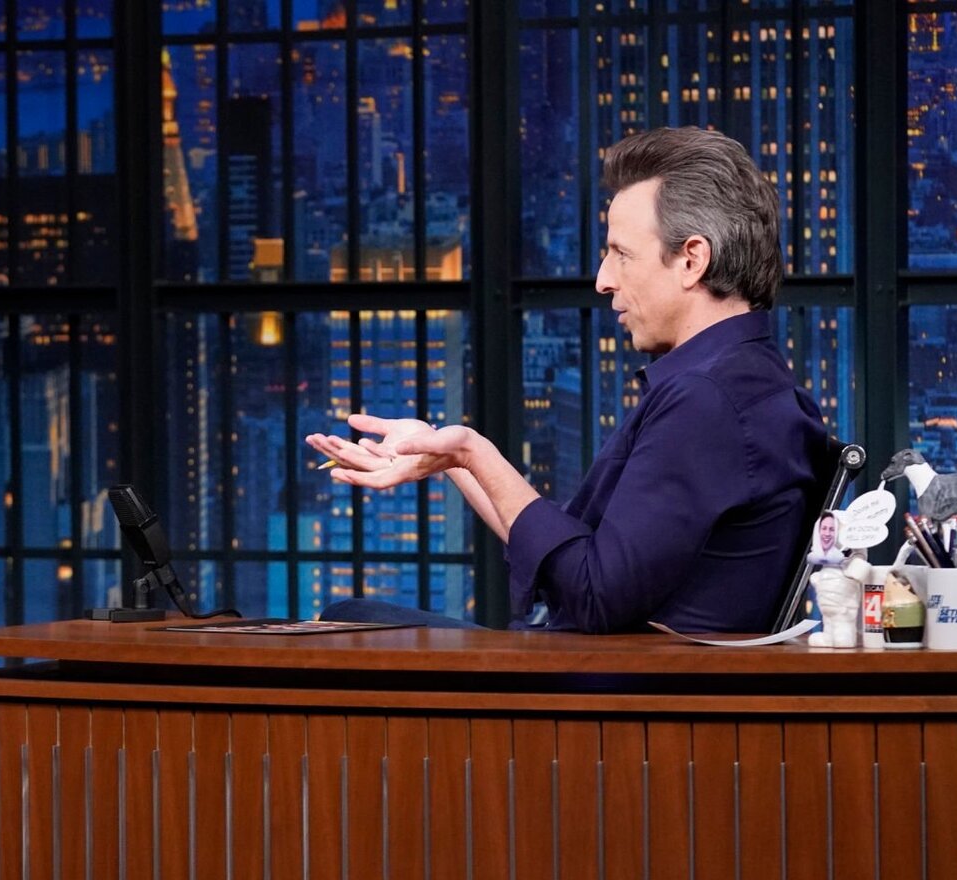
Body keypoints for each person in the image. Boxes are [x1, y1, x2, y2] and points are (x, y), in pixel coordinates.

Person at [306, 127, 826, 634]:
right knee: (352, 616)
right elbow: (568, 552)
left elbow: (593, 594)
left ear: (692, 259)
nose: (603, 279)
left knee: (347, 621)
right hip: (618, 671)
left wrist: (473, 451)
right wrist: (453, 459)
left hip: (612, 683)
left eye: (620, 253)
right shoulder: (748, 381)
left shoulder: (707, 401)